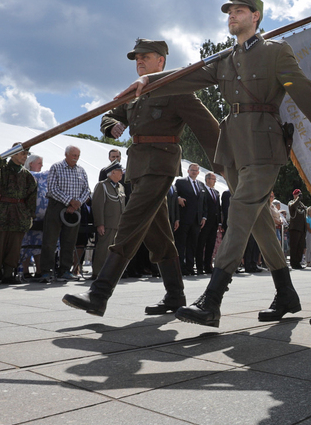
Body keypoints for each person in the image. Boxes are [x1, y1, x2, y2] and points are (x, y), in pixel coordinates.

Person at [114, 0, 311, 327]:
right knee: (259, 220)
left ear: (256, 17)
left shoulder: (276, 52)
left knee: (240, 212)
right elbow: (187, 77)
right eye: (229, 11)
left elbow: (302, 92)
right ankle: (286, 293)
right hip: (233, 148)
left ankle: (212, 298)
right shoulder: (225, 59)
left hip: (264, 146)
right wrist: (149, 81)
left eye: (239, 10)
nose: (232, 15)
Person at [63, 38, 220, 317]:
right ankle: (175, 295)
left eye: (145, 57)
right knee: (157, 234)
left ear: (161, 61)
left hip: (161, 164)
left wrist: (228, 161)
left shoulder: (177, 90)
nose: (139, 62)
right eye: (136, 58)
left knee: (131, 222)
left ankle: (99, 294)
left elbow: (209, 129)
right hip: (137, 167)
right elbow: (109, 115)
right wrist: (112, 126)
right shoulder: (136, 92)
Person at [0, 144, 37, 285]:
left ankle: (8, 274)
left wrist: (30, 216)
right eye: (21, 153)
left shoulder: (27, 175)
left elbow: (31, 198)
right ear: (13, 154)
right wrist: (2, 156)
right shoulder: (0, 169)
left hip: (18, 214)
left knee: (14, 246)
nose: (24, 156)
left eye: (26, 154)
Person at [39, 146, 90, 283]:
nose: (75, 157)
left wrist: (77, 203)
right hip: (57, 206)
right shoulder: (56, 167)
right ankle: (46, 271)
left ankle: (65, 270)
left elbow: (87, 190)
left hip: (75, 208)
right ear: (66, 154)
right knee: (50, 240)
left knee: (70, 241)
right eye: (73, 154)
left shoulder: (81, 170)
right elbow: (52, 188)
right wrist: (69, 201)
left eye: (78, 155)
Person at [91, 161, 125, 278]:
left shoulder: (121, 187)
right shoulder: (102, 185)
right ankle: (98, 272)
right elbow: (97, 206)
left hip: (118, 224)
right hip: (107, 224)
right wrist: (100, 223)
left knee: (114, 251)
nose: (122, 173)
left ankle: (111, 273)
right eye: (120, 171)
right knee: (103, 249)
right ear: (113, 172)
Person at [174, 163, 206, 275]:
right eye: (192, 170)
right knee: (181, 244)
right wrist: (178, 198)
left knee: (192, 245)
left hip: (196, 220)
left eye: (196, 170)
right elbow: (174, 194)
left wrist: (204, 217)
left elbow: (204, 202)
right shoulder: (180, 182)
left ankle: (190, 267)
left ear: (198, 172)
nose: (194, 172)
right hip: (184, 218)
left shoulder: (201, 185)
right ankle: (180, 268)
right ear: (188, 171)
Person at [20, 155, 47, 278]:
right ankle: (24, 270)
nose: (41, 165)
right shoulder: (25, 175)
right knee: (24, 243)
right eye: (39, 163)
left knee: (39, 244)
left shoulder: (43, 178)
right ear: (31, 163)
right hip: (26, 216)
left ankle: (39, 270)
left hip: (41, 218)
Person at [198, 171, 222, 275]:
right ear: (208, 180)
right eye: (213, 179)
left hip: (214, 223)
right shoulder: (202, 191)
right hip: (205, 222)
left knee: (210, 245)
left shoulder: (216, 192)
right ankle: (199, 266)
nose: (215, 181)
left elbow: (218, 208)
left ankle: (208, 266)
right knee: (201, 244)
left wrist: (219, 223)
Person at [288, 189, 308, 269]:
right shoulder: (292, 202)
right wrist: (297, 199)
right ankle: (293, 263)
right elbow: (292, 207)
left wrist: (305, 229)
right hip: (295, 228)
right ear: (294, 195)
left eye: (300, 195)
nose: (299, 196)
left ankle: (298, 262)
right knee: (294, 247)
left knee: (300, 247)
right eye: (297, 194)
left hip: (302, 229)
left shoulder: (301, 204)